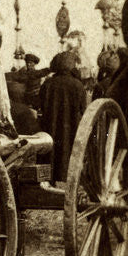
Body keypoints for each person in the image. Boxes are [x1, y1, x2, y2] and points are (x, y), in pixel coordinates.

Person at [40, 51, 88, 184]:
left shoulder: (48, 84)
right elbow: (83, 109)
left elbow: (41, 105)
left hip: (51, 126)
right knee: (68, 150)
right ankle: (69, 180)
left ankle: (50, 180)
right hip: (71, 126)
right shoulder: (77, 85)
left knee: (51, 151)